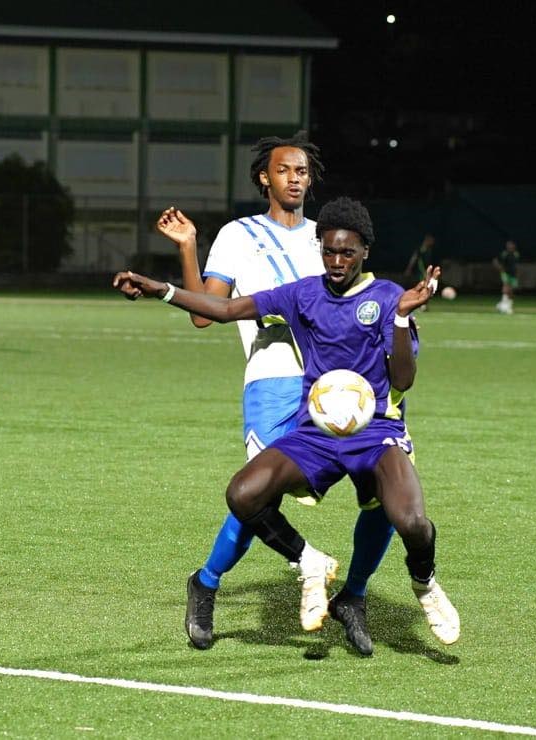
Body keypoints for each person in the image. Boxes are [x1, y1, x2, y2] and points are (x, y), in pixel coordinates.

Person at [114, 197, 460, 648]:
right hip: (315, 433)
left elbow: (403, 380)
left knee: (412, 521)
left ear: (364, 253)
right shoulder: (303, 294)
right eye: (330, 252)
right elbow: (223, 310)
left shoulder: (388, 297)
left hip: (375, 433)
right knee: (244, 492)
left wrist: (398, 318)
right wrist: (160, 289)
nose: (337, 262)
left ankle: (425, 585)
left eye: (348, 253)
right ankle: (309, 561)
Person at [162, 132, 396, 656]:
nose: (295, 178)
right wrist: (187, 250)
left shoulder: (330, 239)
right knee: (258, 492)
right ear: (264, 178)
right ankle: (209, 582)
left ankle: (353, 596)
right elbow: (205, 313)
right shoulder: (239, 235)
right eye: (285, 170)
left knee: (382, 487)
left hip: (339, 389)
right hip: (271, 378)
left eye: (303, 171)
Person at [493, 240, 520, 314]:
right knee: (506, 286)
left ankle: (505, 305)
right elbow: (495, 261)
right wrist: (500, 269)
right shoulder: (504, 254)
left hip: (513, 275)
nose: (510, 246)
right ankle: (504, 306)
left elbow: (516, 265)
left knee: (511, 291)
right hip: (506, 273)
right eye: (508, 245)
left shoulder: (516, 254)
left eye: (511, 245)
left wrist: (517, 274)